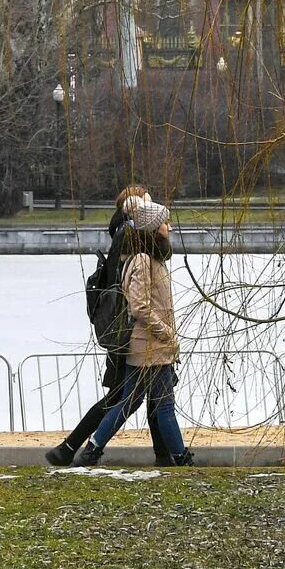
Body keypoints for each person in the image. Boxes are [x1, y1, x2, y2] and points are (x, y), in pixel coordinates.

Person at [44, 186, 176, 467]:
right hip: (132, 334)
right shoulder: (131, 239)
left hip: (129, 331)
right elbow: (134, 297)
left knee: (142, 397)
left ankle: (74, 448)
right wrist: (160, 330)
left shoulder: (124, 235)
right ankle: (77, 448)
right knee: (125, 398)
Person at [74, 195, 192, 467]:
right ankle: (179, 457)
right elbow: (140, 307)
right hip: (148, 345)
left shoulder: (152, 258)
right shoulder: (141, 260)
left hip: (153, 345)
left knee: (132, 403)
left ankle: (93, 449)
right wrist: (167, 334)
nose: (170, 228)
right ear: (152, 228)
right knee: (156, 404)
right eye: (165, 223)